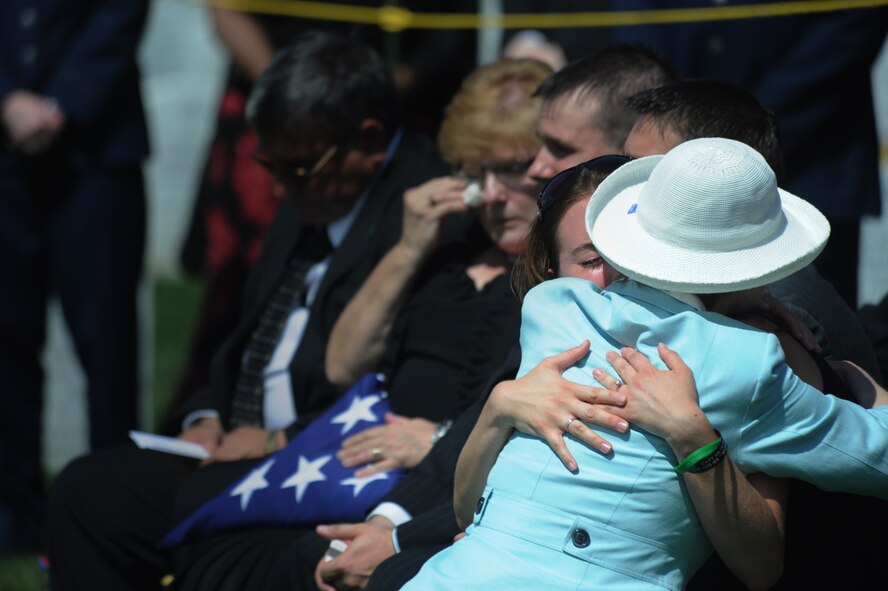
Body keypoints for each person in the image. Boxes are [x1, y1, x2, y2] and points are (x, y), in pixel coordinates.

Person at [46, 32, 447, 590]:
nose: (278, 186)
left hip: (318, 463)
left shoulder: (426, 219)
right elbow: (248, 341)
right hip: (237, 443)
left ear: (370, 141)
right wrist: (205, 418)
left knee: (182, 513)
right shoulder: (312, 192)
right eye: (269, 164)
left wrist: (271, 442)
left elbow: (402, 388)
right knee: (89, 489)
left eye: (296, 168)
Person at [403, 138, 888, 590]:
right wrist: (859, 384)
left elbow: (469, 515)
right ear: (751, 269)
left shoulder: (552, 306)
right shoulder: (750, 364)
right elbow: (876, 458)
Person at [166, 57, 553, 591]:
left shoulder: (552, 274)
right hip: (359, 457)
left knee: (268, 557)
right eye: (472, 172)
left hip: (439, 477)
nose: (488, 194)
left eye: (509, 168)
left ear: (548, 165)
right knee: (205, 527)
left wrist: (439, 440)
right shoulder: (448, 247)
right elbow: (342, 363)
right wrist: (410, 247)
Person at [621, 78, 887, 590]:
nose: (629, 189)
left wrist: (864, 392)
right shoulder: (728, 316)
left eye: (648, 175)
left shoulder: (767, 345)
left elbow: (763, 562)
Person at [612, 0, 888, 306]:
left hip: (811, 157)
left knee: (805, 308)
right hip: (672, 104)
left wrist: (741, 122)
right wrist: (673, 102)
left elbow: (852, 23)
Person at [0, 0, 149, 550]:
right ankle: (15, 511)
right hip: (6, 161)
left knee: (107, 344)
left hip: (96, 150)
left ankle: (113, 513)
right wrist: (7, 98)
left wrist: (65, 102)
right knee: (7, 337)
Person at [622, 78, 882, 381]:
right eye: (624, 164)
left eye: (652, 175)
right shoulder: (732, 302)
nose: (625, 186)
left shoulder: (773, 333)